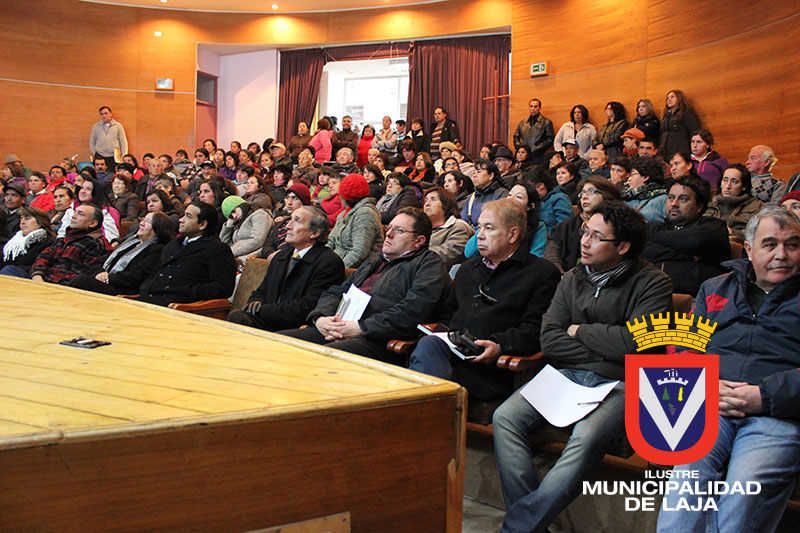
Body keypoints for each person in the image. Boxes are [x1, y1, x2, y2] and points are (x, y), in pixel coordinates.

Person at [493, 201, 672, 533]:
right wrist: (606, 348)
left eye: (596, 237)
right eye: (585, 232)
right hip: (568, 375)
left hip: (623, 383)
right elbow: (550, 339)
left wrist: (580, 331)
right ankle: (530, 525)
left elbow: (638, 345)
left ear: (623, 246)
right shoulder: (573, 277)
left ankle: (517, 528)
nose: (584, 242)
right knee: (505, 417)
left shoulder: (653, 282)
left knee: (586, 438)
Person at [657, 206, 800, 533]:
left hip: (778, 413)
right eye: (770, 244)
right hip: (712, 404)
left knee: (747, 486)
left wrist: (765, 396)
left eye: (792, 245)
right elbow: (681, 348)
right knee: (687, 476)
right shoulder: (716, 288)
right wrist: (705, 384)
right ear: (748, 249)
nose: (781, 255)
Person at [409, 197, 560, 399]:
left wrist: (500, 345)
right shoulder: (467, 269)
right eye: (479, 227)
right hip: (449, 356)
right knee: (428, 345)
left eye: (489, 228)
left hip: (492, 369)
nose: (479, 235)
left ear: (513, 234)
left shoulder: (542, 273)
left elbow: (535, 330)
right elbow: (447, 315)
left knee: (422, 367)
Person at [279, 208, 449, 363]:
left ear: (419, 240)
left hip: (379, 339)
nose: (389, 234)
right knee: (278, 342)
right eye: (389, 228)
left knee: (324, 357)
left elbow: (414, 311)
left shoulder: (428, 264)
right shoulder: (375, 260)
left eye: (399, 231)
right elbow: (337, 291)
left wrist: (361, 328)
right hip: (341, 328)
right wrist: (321, 318)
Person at [227, 206, 345, 331]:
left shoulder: (328, 262)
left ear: (314, 233)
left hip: (297, 327)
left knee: (237, 319)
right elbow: (262, 290)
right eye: (290, 220)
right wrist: (256, 301)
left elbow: (308, 306)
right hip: (269, 320)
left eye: (297, 221)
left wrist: (263, 310)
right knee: (236, 318)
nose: (288, 226)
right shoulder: (282, 256)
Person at [641, 174, 731, 295]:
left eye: (683, 199)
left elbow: (697, 241)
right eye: (671, 198)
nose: (674, 204)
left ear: (699, 206)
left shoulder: (713, 227)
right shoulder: (654, 227)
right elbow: (642, 252)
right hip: (652, 295)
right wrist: (688, 255)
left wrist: (655, 240)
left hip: (700, 298)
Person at [139, 201, 236, 306]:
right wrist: (146, 288)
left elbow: (222, 288)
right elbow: (154, 274)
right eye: (183, 215)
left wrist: (183, 291)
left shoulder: (217, 249)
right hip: (149, 301)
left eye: (188, 216)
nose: (181, 220)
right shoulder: (173, 245)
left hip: (180, 307)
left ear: (202, 224)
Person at [68, 211, 175, 296]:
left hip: (122, 289)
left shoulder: (157, 249)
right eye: (142, 219)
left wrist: (108, 278)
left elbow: (137, 276)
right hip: (106, 281)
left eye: (147, 222)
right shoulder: (131, 242)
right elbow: (102, 260)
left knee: (82, 281)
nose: (141, 223)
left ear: (157, 228)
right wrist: (99, 272)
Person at [545, 176, 622, 274]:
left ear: (607, 194)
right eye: (582, 193)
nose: (584, 197)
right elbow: (552, 253)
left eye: (591, 192)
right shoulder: (567, 226)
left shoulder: (618, 224)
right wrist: (562, 275)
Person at [29, 204, 111, 284]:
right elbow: (44, 257)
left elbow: (85, 272)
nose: (73, 216)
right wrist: (37, 275)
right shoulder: (64, 239)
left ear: (92, 223)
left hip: (62, 288)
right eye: (75, 212)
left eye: (80, 214)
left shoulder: (97, 244)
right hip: (42, 282)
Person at [465, 180, 548, 259]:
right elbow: (469, 253)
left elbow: (536, 256)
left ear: (530, 206)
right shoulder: (494, 220)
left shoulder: (538, 226)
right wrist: (486, 225)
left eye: (518, 197)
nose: (511, 199)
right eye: (510, 195)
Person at [327, 174, 384, 269]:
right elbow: (331, 240)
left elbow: (359, 253)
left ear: (343, 197)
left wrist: (334, 270)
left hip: (354, 270)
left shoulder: (365, 214)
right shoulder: (343, 214)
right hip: (335, 263)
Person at [704, 163, 764, 242]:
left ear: (744, 186)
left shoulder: (757, 206)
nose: (728, 186)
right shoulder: (709, 204)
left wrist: (733, 233)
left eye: (734, 181)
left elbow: (759, 233)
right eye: (725, 180)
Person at [420, 186, 473, 270]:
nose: (427, 204)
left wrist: (416, 254)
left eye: (433, 199)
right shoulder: (420, 228)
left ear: (446, 204)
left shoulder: (458, 227)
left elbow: (449, 253)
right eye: (426, 200)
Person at [57, 177, 121, 242]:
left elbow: (110, 239)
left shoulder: (107, 212)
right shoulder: (71, 210)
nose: (83, 191)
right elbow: (62, 234)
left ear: (96, 192)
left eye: (88, 189)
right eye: (82, 188)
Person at [0, 206, 57, 278]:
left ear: (40, 222)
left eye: (27, 219)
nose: (22, 222)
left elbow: (40, 266)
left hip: (31, 277)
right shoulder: (14, 240)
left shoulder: (48, 241)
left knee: (8, 270)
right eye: (21, 219)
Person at [461, 159, 509, 230]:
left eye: (479, 172)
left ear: (491, 175)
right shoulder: (472, 197)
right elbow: (463, 221)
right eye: (473, 173)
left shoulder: (502, 194)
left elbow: (500, 220)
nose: (474, 176)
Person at [622, 157, 669, 223]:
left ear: (645, 177)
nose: (629, 179)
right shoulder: (626, 196)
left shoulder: (663, 198)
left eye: (632, 174)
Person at [658, 89, 701, 160]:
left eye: (672, 97)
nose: (669, 100)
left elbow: (694, 131)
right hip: (664, 153)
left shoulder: (686, 113)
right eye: (667, 98)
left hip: (680, 151)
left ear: (679, 98)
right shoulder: (665, 116)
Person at [529, 168, 572, 234]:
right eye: (531, 188)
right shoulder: (531, 202)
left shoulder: (559, 198)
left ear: (546, 184)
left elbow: (564, 228)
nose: (535, 190)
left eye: (538, 186)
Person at [512, 98, 555, 164]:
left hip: (537, 157)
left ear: (540, 108)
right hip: (522, 157)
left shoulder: (546, 122)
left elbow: (549, 139)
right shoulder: (523, 122)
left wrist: (537, 149)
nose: (533, 109)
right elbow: (516, 136)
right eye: (531, 106)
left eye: (535, 106)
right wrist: (519, 148)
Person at [89, 105, 128, 171]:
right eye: (101, 114)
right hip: (100, 155)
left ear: (111, 114)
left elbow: (123, 142)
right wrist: (94, 153)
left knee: (112, 174)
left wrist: (124, 156)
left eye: (106, 113)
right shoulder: (96, 126)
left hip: (113, 156)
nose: (104, 116)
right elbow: (92, 142)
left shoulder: (118, 126)